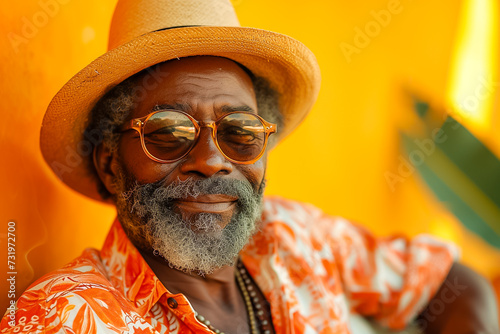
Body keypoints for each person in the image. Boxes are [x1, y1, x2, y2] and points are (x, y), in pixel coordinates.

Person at [1, 0, 498, 333]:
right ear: (110, 164)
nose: (212, 162)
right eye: (169, 133)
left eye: (240, 133)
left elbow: (447, 281)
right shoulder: (66, 319)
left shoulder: (295, 234)